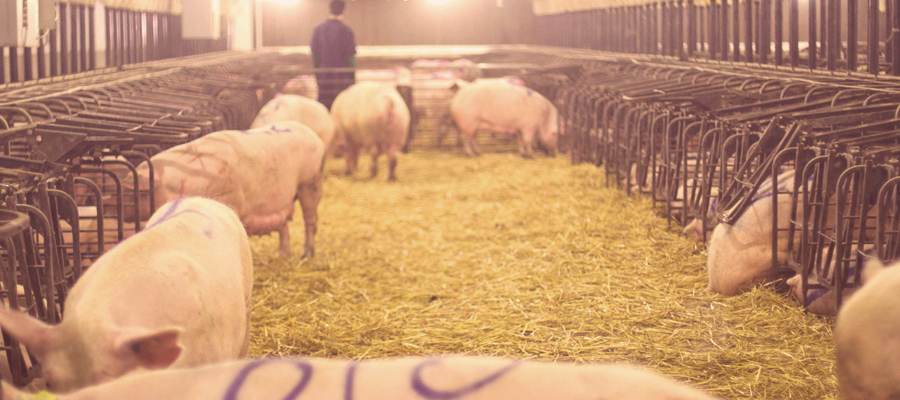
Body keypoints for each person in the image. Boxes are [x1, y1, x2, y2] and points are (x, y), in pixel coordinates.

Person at [310, 0, 357, 110]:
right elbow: (351, 58)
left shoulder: (318, 30)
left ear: (329, 10)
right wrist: (352, 80)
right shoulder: (347, 31)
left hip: (324, 78)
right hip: (342, 80)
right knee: (342, 109)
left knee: (325, 109)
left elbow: (314, 56)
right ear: (344, 11)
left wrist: (317, 74)